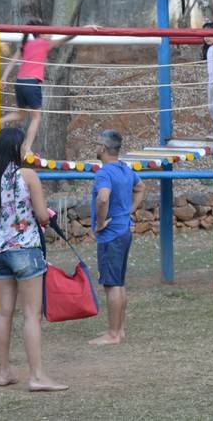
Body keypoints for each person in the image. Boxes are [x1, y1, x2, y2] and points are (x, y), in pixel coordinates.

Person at [0, 127, 67, 392]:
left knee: (3, 312)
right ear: (16, 148)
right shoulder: (27, 175)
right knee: (31, 314)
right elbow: (42, 215)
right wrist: (49, 214)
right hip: (26, 250)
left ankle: (4, 371)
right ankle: (37, 376)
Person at [88, 130, 145, 346]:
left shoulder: (104, 172)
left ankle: (112, 334)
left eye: (96, 144)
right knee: (119, 283)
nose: (95, 147)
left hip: (111, 235)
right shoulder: (124, 169)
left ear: (103, 148)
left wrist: (100, 223)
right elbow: (140, 188)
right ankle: (119, 331)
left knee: (111, 284)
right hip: (124, 231)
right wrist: (129, 209)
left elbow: (103, 198)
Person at [0, 18, 77, 157]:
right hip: (31, 84)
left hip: (19, 83)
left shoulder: (25, 44)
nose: (51, 34)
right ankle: (26, 148)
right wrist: (82, 29)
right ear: (42, 34)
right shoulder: (45, 44)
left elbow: (12, 62)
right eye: (49, 32)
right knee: (36, 118)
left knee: (22, 114)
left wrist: (4, 77)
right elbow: (67, 38)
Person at [201, 21, 213, 134]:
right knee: (211, 107)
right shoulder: (209, 48)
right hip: (211, 81)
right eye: (205, 35)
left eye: (210, 34)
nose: (207, 38)